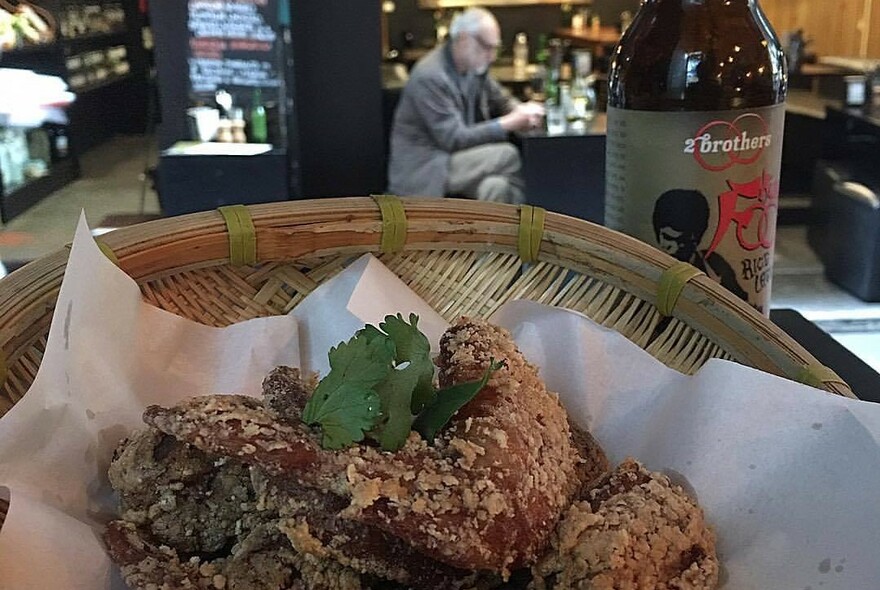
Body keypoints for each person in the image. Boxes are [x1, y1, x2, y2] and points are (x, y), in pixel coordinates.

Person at [387, 8, 544, 204]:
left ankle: (492, 233)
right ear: (463, 39)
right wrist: (509, 123)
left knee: (496, 187)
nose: (492, 56)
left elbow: (501, 98)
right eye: (487, 47)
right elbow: (453, 139)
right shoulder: (431, 76)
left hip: (456, 159)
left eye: (495, 48)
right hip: (427, 167)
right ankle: (527, 225)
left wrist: (521, 111)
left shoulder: (472, 67)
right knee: (508, 154)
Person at [652, 189, 749, 301]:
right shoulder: (643, 264)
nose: (675, 248)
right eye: (668, 237)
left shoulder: (716, 266)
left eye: (683, 241)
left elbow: (742, 304)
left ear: (697, 240)